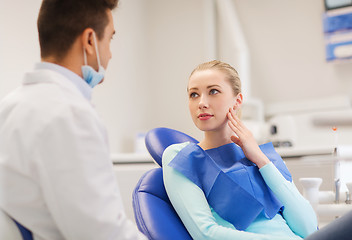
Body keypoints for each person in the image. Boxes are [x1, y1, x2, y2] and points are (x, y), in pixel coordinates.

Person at [0, 0, 146, 239]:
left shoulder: (10, 105)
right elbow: (101, 233)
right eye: (110, 39)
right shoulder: (70, 114)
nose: (109, 53)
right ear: (90, 41)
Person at [162, 60, 318, 240]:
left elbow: (309, 228)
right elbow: (205, 234)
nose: (202, 103)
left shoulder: (263, 157)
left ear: (237, 101)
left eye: (213, 91)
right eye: (194, 94)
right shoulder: (182, 157)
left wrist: (261, 161)